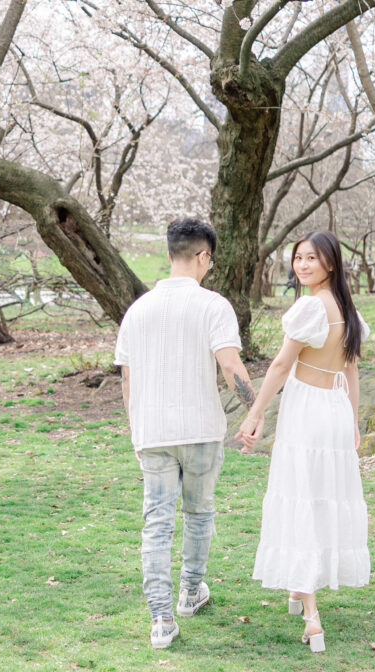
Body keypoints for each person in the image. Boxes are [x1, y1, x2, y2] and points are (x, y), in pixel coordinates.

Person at [114, 217, 261, 649]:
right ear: (203, 257)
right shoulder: (213, 305)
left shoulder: (137, 310)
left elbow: (128, 381)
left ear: (168, 254)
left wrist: (136, 430)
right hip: (199, 429)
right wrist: (256, 411)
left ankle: (160, 619)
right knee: (198, 514)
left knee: (155, 525)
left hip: (153, 431)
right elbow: (231, 366)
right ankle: (190, 592)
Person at [236, 230, 370, 654]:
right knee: (321, 496)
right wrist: (353, 418)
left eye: (311, 258)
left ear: (330, 263)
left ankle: (312, 617)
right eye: (297, 258)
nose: (302, 265)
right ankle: (297, 590)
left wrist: (255, 412)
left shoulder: (311, 307)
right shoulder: (347, 310)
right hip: (333, 410)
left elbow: (280, 364)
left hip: (309, 411)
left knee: (301, 499)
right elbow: (350, 371)